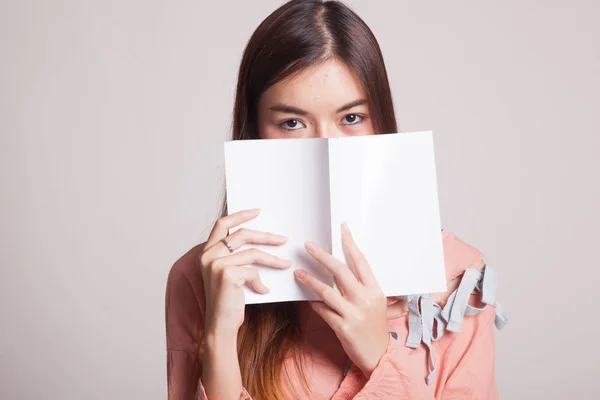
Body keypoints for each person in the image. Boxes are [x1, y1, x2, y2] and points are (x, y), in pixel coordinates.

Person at [165, 1, 507, 399]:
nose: (325, 147)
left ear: (380, 122)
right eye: (291, 123)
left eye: (351, 118)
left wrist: (380, 354)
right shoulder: (200, 278)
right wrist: (219, 336)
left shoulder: (459, 276)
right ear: (255, 131)